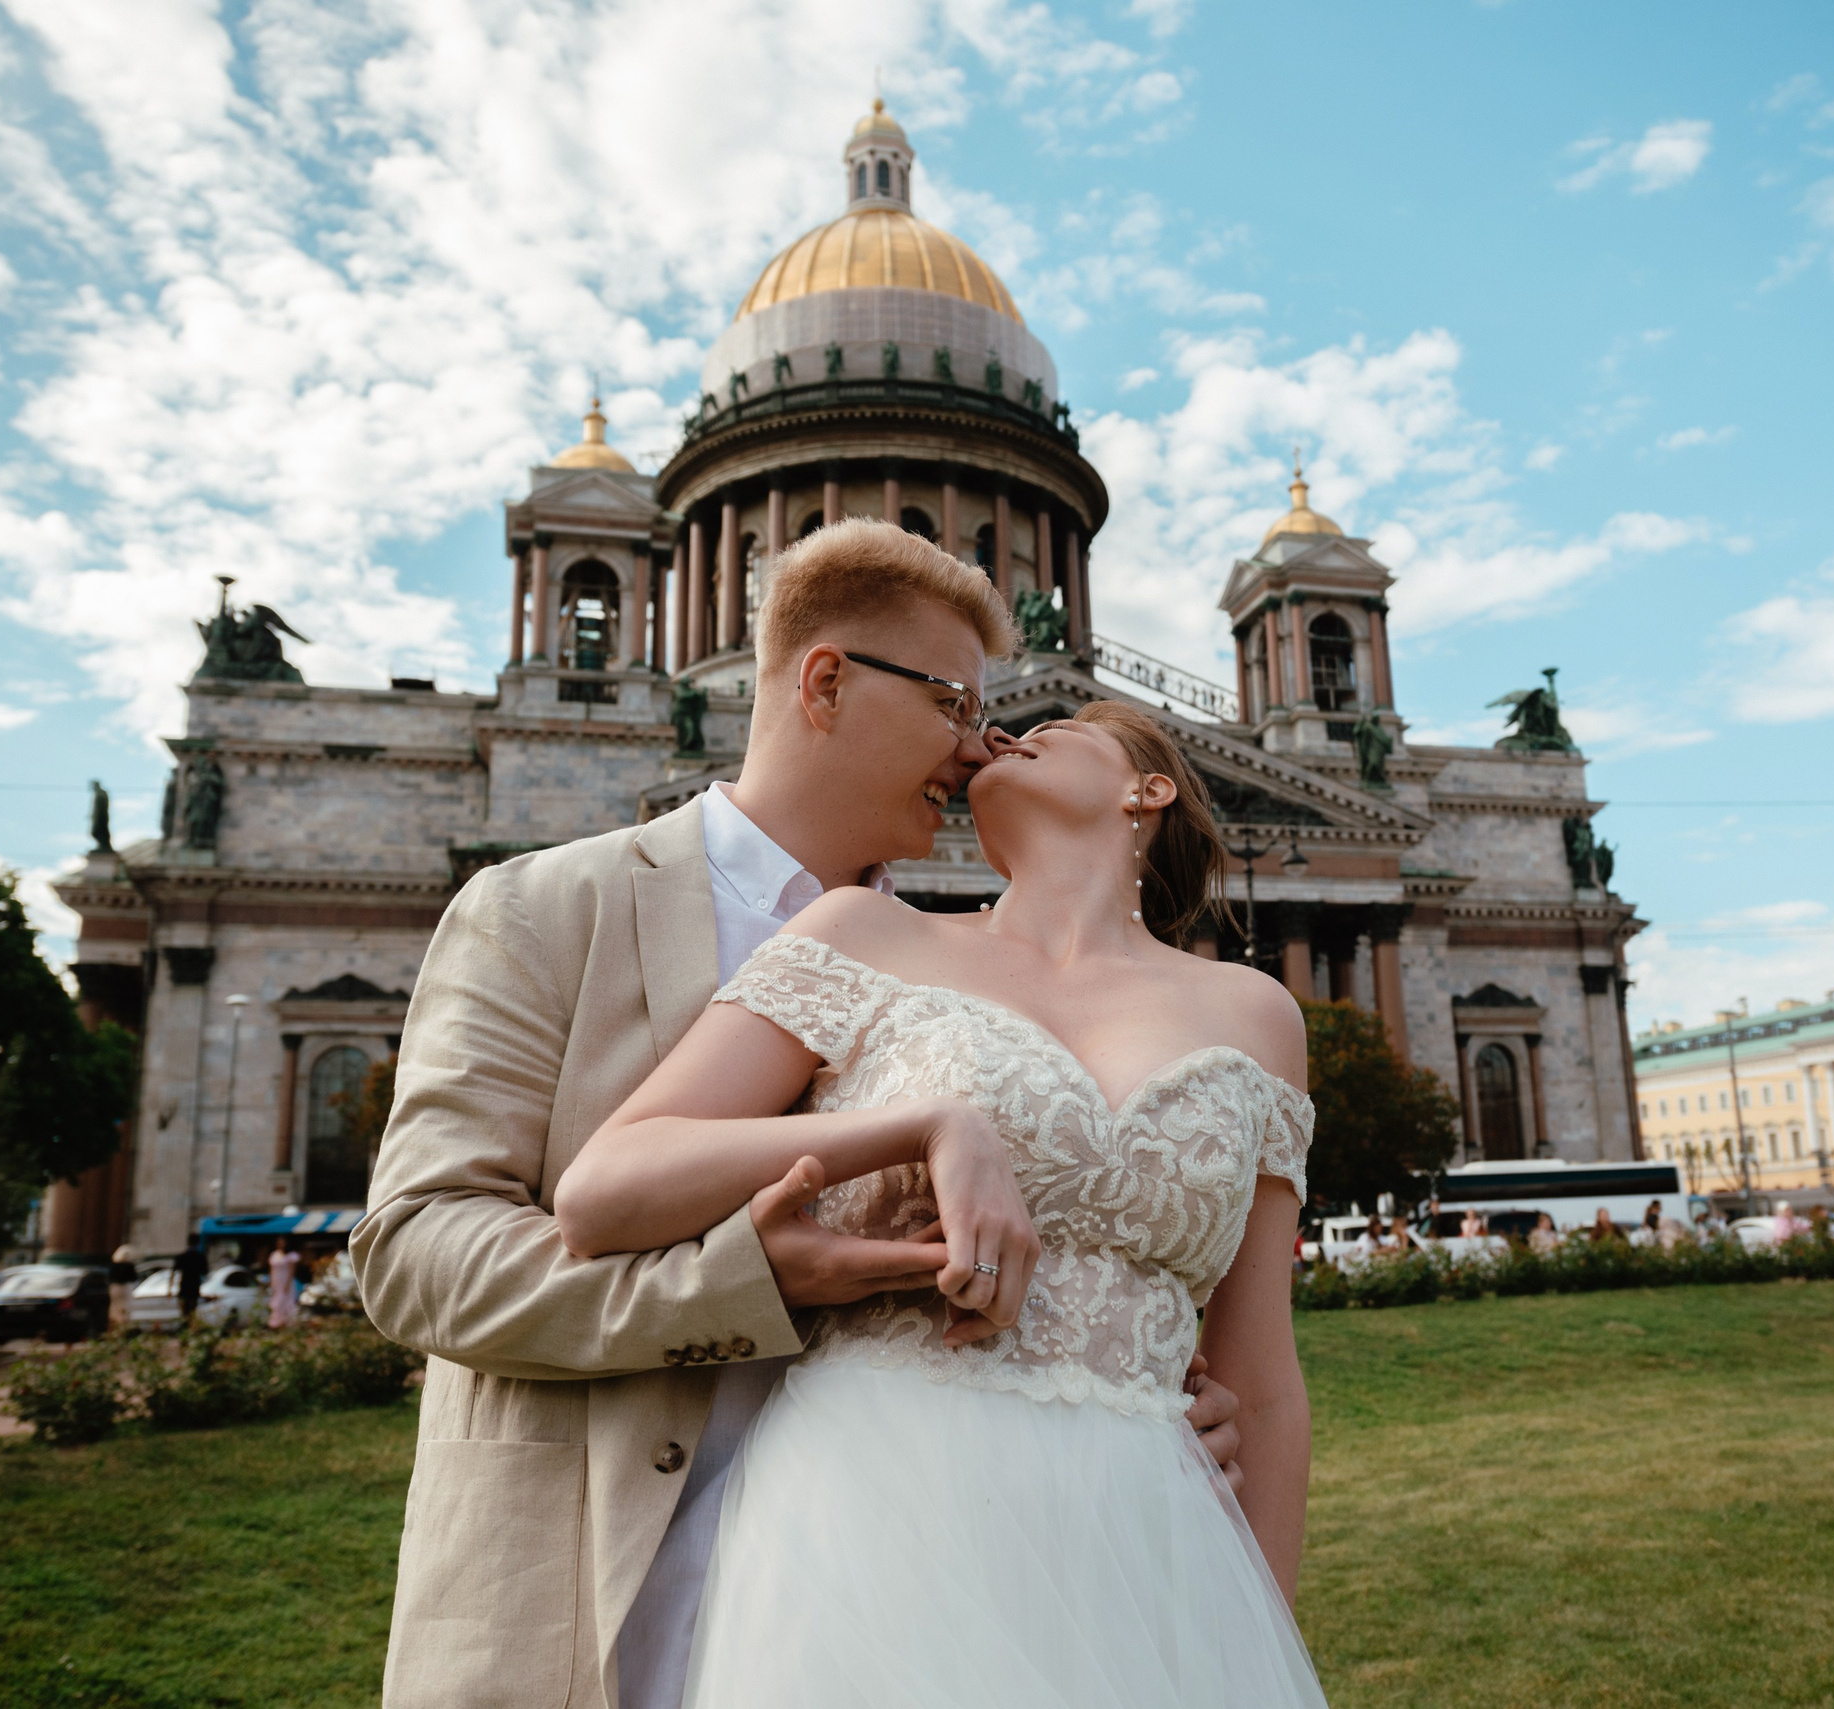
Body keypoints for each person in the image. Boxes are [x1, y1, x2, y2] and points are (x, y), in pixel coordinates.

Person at [351, 522, 1247, 1709]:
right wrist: (745, 1284)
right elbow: (417, 1255)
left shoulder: (961, 970)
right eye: (952, 703)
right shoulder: (542, 907)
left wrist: (1131, 1402)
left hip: (920, 1616)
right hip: (591, 1609)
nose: (979, 745)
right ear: (824, 682)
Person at [552, 699, 1323, 1706]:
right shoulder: (864, 931)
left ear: (1149, 788)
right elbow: (606, 1187)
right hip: (878, 1503)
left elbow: (1263, 1382)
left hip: (1149, 1534)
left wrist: (1259, 1634)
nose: (1000, 734)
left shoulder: (1258, 1014)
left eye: (1058, 727)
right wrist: (923, 1124)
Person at [172, 1235, 207, 1326]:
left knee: (184, 1311)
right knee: (193, 1311)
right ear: (198, 1243)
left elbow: (173, 1272)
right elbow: (205, 1273)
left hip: (184, 1287)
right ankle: (191, 1327)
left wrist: (169, 1288)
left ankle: (185, 1325)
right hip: (194, 1287)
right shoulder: (200, 1257)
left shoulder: (182, 1256)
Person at [267, 1238, 299, 1329]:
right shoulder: (274, 1254)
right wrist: (271, 1281)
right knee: (276, 1300)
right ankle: (276, 1322)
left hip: (285, 1280)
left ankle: (288, 1322)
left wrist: (287, 1284)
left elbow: (292, 1271)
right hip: (276, 1280)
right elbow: (271, 1269)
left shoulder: (291, 1255)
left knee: (285, 1300)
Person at [107, 1242, 139, 1331]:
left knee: (115, 1306)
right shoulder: (129, 1266)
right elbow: (133, 1277)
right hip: (125, 1287)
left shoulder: (114, 1265)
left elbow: (110, 1277)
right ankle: (123, 1324)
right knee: (125, 1305)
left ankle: (116, 1323)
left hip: (115, 1288)